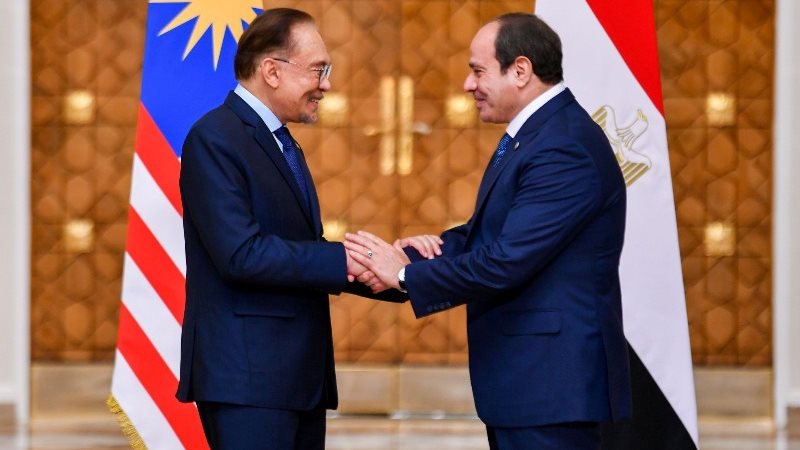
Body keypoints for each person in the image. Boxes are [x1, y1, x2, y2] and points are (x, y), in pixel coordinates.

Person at [346, 12, 632, 449]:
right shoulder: (538, 134)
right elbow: (491, 235)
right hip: (529, 384)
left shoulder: (563, 146)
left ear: (520, 70)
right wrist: (421, 253)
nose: (468, 85)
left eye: (478, 71)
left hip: (551, 387)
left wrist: (404, 274)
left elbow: (507, 260)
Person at [176, 8, 413, 449]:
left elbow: (300, 249)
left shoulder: (280, 142)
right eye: (319, 70)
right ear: (272, 71)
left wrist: (400, 268)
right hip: (248, 382)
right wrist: (348, 259)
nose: (326, 85)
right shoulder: (215, 138)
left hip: (295, 380)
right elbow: (241, 255)